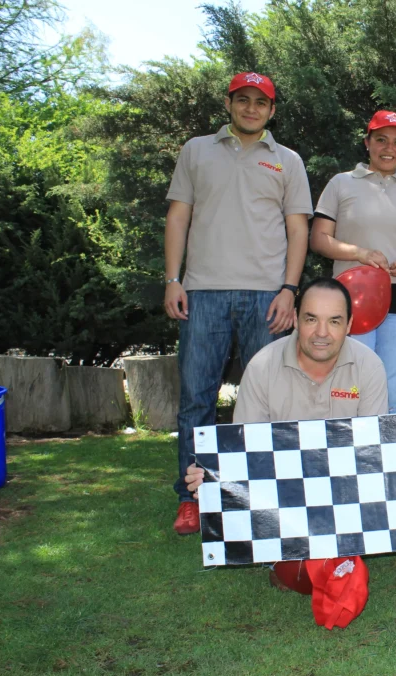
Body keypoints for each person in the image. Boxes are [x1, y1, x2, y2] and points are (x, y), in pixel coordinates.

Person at [165, 71, 313, 536]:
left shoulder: (288, 160)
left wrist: (289, 290)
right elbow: (178, 216)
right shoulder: (196, 150)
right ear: (229, 104)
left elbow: (298, 229)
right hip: (202, 292)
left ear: (272, 110)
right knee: (196, 400)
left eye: (260, 102)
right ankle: (194, 497)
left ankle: (267, 494)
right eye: (243, 100)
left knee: (271, 398)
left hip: (267, 295)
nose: (251, 108)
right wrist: (172, 279)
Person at [184, 277, 388, 590]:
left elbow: (373, 455)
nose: (322, 333)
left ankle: (327, 550)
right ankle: (283, 554)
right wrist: (214, 476)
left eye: (334, 321)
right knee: (303, 575)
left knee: (329, 567)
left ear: (349, 325)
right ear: (295, 319)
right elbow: (246, 451)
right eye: (311, 319)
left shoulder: (369, 366)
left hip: (343, 490)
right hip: (282, 494)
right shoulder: (262, 366)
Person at [310, 111, 396, 414]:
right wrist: (359, 253)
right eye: (381, 140)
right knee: (349, 390)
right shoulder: (341, 183)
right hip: (353, 301)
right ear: (367, 143)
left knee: (393, 394)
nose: (389, 148)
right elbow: (319, 239)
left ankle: (390, 447)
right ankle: (348, 445)